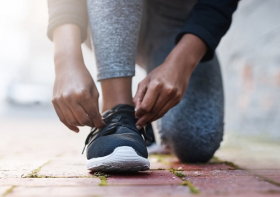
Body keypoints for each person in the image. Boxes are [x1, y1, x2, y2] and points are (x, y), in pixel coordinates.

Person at [47, 0, 239, 172]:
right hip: (108, 14)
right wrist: (65, 60)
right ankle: (116, 113)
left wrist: (181, 65)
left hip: (182, 24)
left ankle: (148, 128)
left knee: (197, 141)